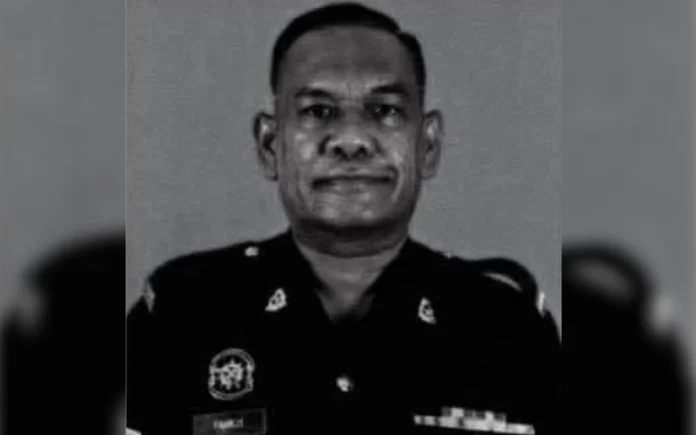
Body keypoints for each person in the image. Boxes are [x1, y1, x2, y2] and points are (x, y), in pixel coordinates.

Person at [127, 3, 560, 435]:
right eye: (317, 111)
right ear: (270, 145)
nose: (351, 140)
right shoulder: (179, 321)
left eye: (385, 110)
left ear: (427, 146)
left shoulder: (509, 331)